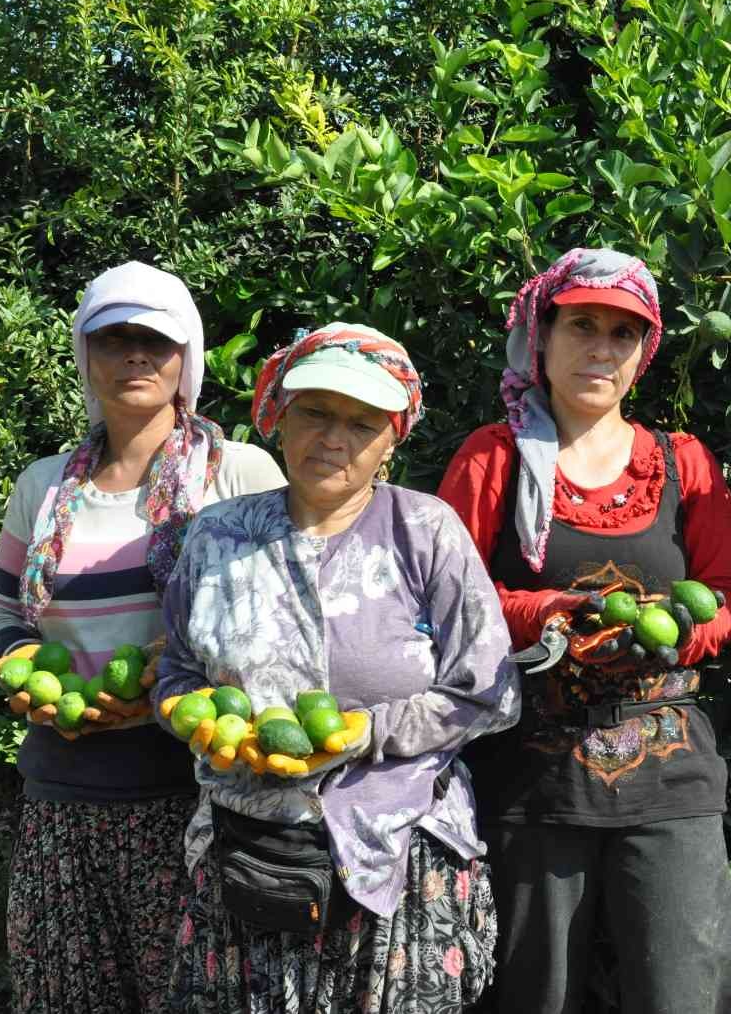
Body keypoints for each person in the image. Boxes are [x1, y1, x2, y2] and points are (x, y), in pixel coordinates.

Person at [154, 322, 520, 1014]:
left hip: (396, 856)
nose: (334, 438)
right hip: (247, 852)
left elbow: (489, 692)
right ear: (279, 418)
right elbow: (177, 670)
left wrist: (367, 732)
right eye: (315, 412)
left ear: (392, 439)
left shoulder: (425, 531)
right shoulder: (216, 536)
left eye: (362, 422)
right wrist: (187, 717)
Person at [437, 247, 731, 1014]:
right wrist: (544, 613)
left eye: (622, 333)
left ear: (643, 353)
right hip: (532, 774)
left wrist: (677, 633)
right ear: (541, 337)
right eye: (582, 325)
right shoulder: (494, 458)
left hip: (669, 767)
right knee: (533, 991)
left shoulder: (684, 463)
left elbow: (730, 597)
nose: (600, 348)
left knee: (685, 986)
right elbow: (447, 601)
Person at [0, 261, 287, 1013]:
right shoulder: (43, 487)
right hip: (64, 798)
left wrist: (172, 678)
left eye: (155, 339)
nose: (136, 356)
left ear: (188, 358)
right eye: (114, 339)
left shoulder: (237, 474)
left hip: (200, 798)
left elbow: (294, 621)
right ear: (88, 357)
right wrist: (26, 678)